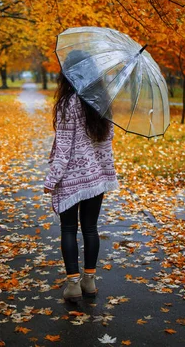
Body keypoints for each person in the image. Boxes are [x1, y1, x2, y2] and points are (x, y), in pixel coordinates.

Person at [44, 58, 119, 303]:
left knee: (68, 229)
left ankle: (73, 285)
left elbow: (64, 149)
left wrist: (51, 179)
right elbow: (106, 144)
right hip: (96, 178)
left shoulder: (69, 103)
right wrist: (106, 173)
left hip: (72, 180)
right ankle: (90, 280)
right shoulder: (103, 103)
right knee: (90, 228)